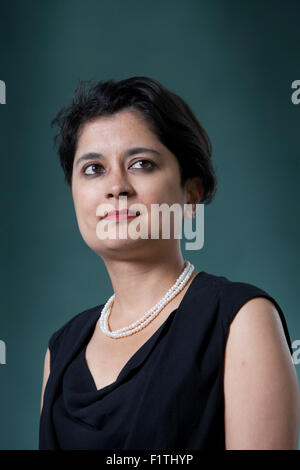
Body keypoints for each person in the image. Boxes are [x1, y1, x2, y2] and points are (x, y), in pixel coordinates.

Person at [39, 76, 300, 450]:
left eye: (141, 163)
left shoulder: (240, 320)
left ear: (191, 194)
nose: (116, 186)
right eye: (93, 169)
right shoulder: (61, 350)